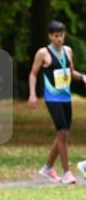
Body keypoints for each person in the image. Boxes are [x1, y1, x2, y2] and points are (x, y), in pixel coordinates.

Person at [28, 20, 86, 185]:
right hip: (52, 98)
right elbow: (33, 74)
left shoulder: (68, 51)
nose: (59, 39)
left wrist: (83, 77)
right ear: (50, 36)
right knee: (62, 132)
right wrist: (32, 94)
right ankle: (67, 172)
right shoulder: (43, 53)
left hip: (66, 97)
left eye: (61, 35)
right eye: (56, 36)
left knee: (64, 134)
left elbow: (70, 72)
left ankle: (47, 168)